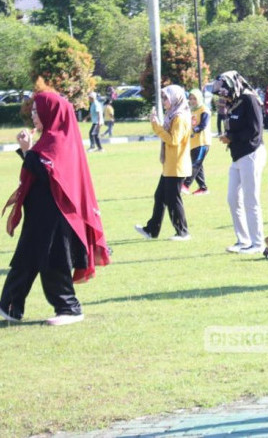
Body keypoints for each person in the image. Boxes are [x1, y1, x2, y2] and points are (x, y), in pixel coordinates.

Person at [1, 89, 110, 325]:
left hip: (56, 218)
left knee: (53, 264)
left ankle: (69, 309)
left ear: (51, 113)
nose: (34, 116)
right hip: (41, 215)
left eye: (37, 112)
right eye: (32, 112)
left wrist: (29, 150)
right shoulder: (50, 138)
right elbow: (40, 169)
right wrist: (27, 151)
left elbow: (48, 172)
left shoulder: (59, 139)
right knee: (24, 261)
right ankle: (9, 308)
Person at [215, 71, 267, 255]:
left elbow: (255, 131)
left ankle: (258, 243)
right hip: (237, 156)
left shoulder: (249, 99)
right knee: (232, 198)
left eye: (225, 90)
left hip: (251, 153)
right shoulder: (233, 102)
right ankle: (243, 239)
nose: (223, 95)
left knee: (250, 200)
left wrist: (231, 137)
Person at [134, 85, 192, 241]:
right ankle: (151, 230)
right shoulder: (173, 115)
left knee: (173, 200)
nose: (164, 101)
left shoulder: (179, 117)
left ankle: (183, 232)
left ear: (175, 98)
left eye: (166, 98)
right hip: (170, 165)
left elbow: (174, 140)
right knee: (160, 196)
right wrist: (157, 125)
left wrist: (157, 127)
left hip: (177, 165)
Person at [182, 89, 211, 196]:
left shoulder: (204, 109)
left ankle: (185, 185)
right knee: (198, 166)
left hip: (202, 142)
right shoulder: (192, 110)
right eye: (191, 98)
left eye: (195, 98)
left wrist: (194, 130)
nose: (192, 101)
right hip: (193, 142)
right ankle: (203, 188)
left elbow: (203, 125)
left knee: (194, 165)